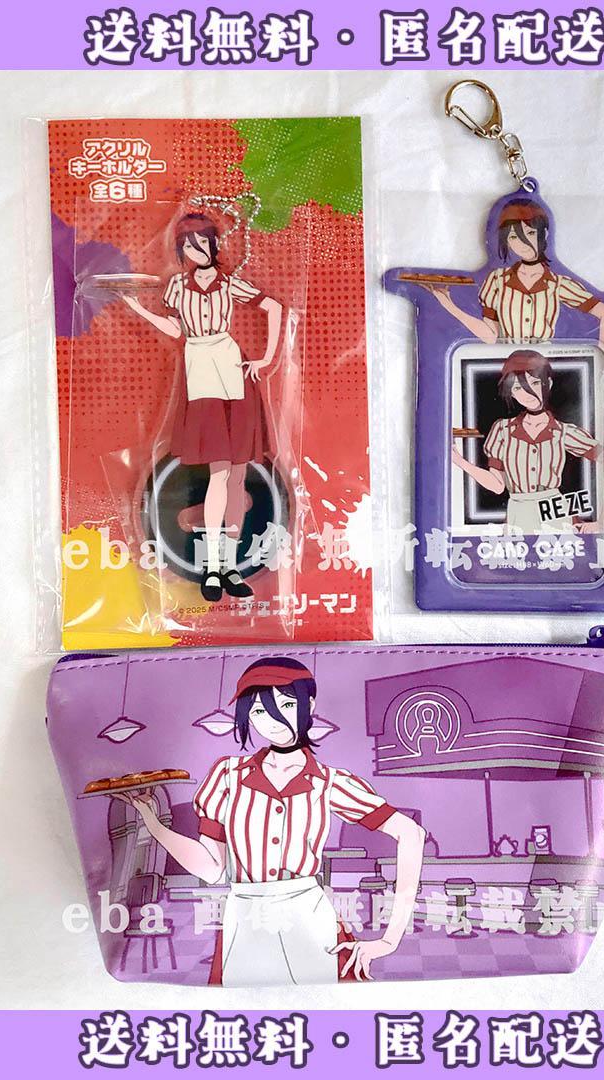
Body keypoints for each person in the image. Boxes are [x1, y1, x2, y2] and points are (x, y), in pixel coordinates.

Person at [118, 657, 426, 986]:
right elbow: (212, 869)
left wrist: (389, 939)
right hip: (246, 916)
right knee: (241, 1011)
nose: (273, 721)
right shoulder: (227, 776)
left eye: (288, 704)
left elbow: (411, 833)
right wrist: (154, 825)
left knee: (326, 1009)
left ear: (310, 705)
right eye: (259, 711)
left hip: (308, 915)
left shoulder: (329, 782)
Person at [121, 213, 283, 603]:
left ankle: (229, 567)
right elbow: (176, 329)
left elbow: (275, 307)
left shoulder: (229, 283)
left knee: (238, 475)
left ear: (213, 243)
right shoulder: (177, 286)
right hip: (201, 370)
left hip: (232, 367)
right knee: (219, 472)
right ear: (182, 251)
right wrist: (138, 308)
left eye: (204, 242)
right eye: (190, 246)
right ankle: (212, 567)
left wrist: (265, 358)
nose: (199, 250)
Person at [425, 200, 604, 351]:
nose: (522, 243)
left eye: (530, 233)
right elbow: (491, 337)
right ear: (506, 241)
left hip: (546, 367)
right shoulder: (497, 281)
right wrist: (449, 305)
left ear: (544, 234)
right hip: (507, 364)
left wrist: (602, 355)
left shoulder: (557, 284)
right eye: (513, 237)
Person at [452, 350, 601, 534]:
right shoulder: (502, 430)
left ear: (549, 383)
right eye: (517, 388)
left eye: (535, 383)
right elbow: (497, 486)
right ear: (511, 392)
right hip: (519, 512)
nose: (526, 393)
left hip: (555, 512)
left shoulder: (563, 431)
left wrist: (602, 521)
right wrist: (459, 461)